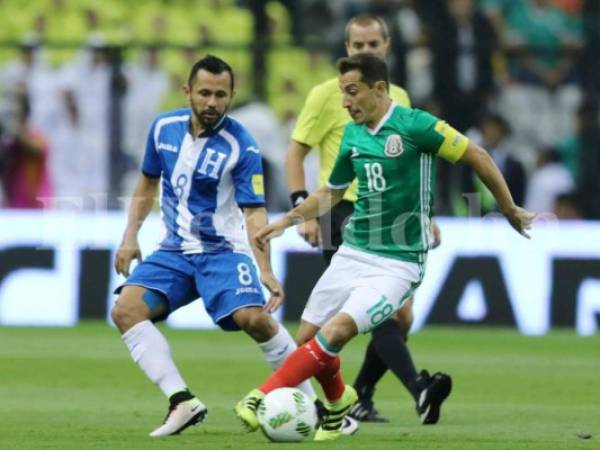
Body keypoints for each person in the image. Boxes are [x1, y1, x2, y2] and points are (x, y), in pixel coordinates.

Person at [236, 53, 534, 441]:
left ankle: (261, 396)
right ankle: (339, 403)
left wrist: (508, 209)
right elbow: (331, 192)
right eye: (343, 92)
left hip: (398, 263)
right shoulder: (353, 133)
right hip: (353, 251)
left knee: (338, 330)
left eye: (352, 91)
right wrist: (285, 221)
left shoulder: (417, 126)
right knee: (308, 338)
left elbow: (475, 155)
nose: (345, 102)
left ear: (380, 89)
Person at [111, 55, 316, 438]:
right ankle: (181, 401)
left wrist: (265, 269)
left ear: (232, 95)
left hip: (223, 251)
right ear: (188, 91)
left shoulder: (242, 146)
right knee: (125, 310)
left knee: (255, 320)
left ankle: (312, 404)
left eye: (221, 95)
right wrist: (129, 236)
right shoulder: (163, 128)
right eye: (204, 92)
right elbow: (146, 183)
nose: (212, 102)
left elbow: (254, 212)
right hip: (174, 251)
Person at [285, 13, 443, 423]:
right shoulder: (327, 94)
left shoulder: (399, 98)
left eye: (373, 45)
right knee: (381, 314)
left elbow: (413, 162)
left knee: (402, 317)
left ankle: (359, 395)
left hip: (391, 216)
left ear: (386, 47)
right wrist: (301, 205)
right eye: (358, 46)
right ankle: (418, 387)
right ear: (346, 48)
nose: (366, 51)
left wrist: (427, 214)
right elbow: (296, 150)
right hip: (338, 212)